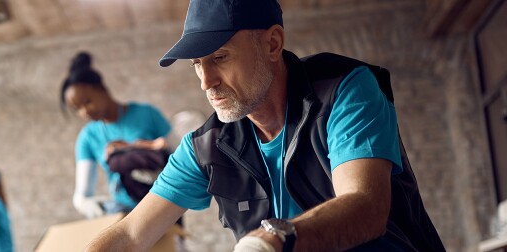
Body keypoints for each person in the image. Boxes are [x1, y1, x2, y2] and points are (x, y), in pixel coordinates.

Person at [85, 0, 445, 251]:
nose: (205, 81)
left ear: (272, 43)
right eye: (197, 63)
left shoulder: (344, 89)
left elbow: (364, 206)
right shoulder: (206, 146)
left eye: (220, 57)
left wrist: (272, 240)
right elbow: (131, 235)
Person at [61, 51, 172, 218]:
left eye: (87, 102)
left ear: (102, 88)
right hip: (126, 214)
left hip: (164, 205)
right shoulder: (88, 138)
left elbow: (179, 155)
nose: (85, 112)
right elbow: (81, 195)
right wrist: (86, 204)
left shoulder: (146, 114)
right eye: (77, 109)